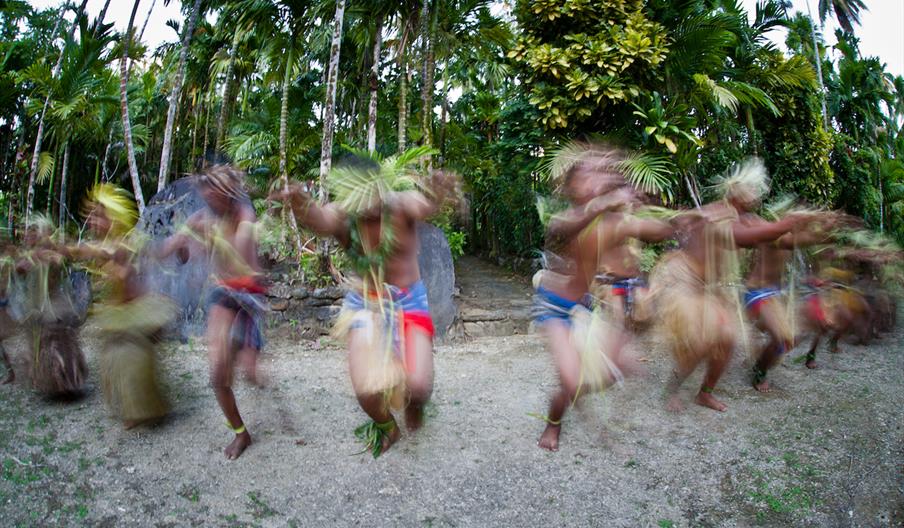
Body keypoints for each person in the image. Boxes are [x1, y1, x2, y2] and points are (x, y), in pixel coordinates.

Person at [273, 156, 457, 457]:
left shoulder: (401, 205)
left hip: (408, 300)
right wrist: (299, 202)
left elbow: (426, 204)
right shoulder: (343, 215)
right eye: (356, 193)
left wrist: (438, 192)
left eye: (371, 191)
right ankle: (387, 426)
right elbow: (318, 219)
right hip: (365, 303)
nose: (367, 201)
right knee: (366, 391)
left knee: (420, 385)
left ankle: (415, 404)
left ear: (382, 187)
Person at [653, 158, 808, 412]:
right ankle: (673, 388)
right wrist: (785, 224)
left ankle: (704, 393)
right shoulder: (719, 215)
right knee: (701, 342)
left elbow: (769, 234)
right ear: (737, 193)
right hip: (682, 282)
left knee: (727, 338)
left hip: (705, 288)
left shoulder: (741, 216)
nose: (757, 195)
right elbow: (748, 238)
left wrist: (799, 226)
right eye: (753, 190)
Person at [532, 146, 643, 452]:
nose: (595, 180)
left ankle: (571, 396)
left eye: (601, 173)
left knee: (622, 365)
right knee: (571, 379)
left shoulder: (609, 222)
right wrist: (605, 202)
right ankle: (553, 423)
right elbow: (566, 228)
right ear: (570, 187)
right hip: (553, 306)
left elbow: (636, 241)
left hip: (584, 306)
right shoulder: (562, 220)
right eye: (586, 174)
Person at [158, 165, 266, 459]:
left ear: (228, 192)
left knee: (253, 374)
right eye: (205, 191)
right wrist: (173, 245)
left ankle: (247, 349)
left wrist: (218, 238)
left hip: (250, 296)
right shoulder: (201, 218)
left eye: (214, 190)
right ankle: (241, 434)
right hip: (222, 293)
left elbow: (244, 246)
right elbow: (177, 252)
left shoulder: (244, 215)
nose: (208, 196)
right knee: (218, 372)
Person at [63, 184, 174, 428]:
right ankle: (135, 408)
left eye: (98, 215)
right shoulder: (104, 245)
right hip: (118, 315)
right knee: (115, 361)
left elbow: (155, 253)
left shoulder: (125, 244)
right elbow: (84, 250)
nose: (92, 221)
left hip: (136, 313)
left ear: (113, 216)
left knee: (133, 361)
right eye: (91, 216)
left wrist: (180, 245)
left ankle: (150, 409)